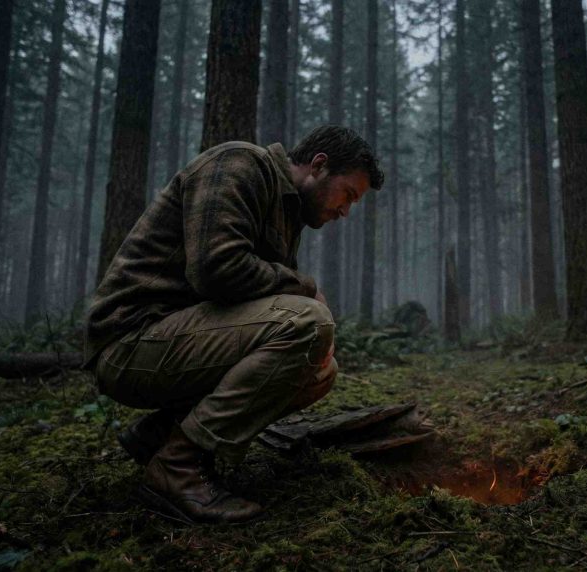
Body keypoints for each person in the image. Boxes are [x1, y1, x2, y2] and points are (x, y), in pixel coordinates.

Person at [83, 125, 384, 524]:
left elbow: (260, 299)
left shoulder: (287, 211)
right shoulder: (239, 163)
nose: (345, 211)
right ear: (318, 165)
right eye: (348, 194)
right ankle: (177, 465)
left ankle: (162, 435)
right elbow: (217, 270)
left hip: (173, 340)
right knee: (308, 322)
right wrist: (307, 291)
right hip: (130, 340)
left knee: (320, 371)